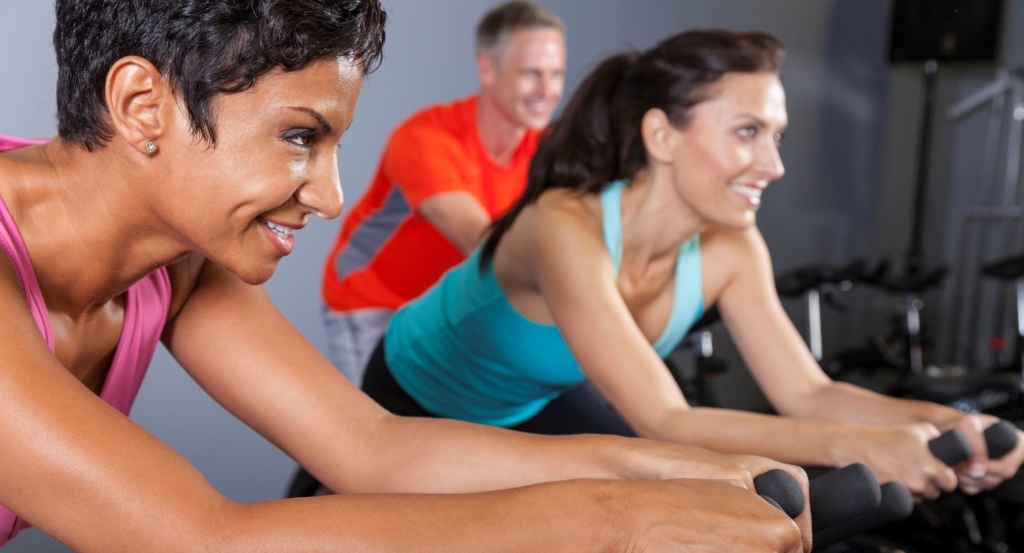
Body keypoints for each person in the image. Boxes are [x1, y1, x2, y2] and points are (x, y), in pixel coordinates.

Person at [0, 1, 811, 551]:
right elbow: (207, 538)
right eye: (297, 137)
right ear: (143, 104)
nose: (331, 195)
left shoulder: (173, 261)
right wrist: (618, 519)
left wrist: (673, 468)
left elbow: (370, 446)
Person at [364, 28, 1024, 502]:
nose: (775, 165)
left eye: (777, 136)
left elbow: (808, 393)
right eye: (747, 132)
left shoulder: (732, 246)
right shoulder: (562, 224)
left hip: (533, 401)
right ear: (661, 136)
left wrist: (940, 422)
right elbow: (665, 419)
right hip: (415, 401)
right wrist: (858, 446)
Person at [321, 1, 566, 386]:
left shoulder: (549, 151)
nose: (547, 90)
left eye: (556, 74)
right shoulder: (426, 138)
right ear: (488, 69)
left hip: (448, 306)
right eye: (531, 74)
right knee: (376, 436)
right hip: (374, 303)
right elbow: (482, 244)